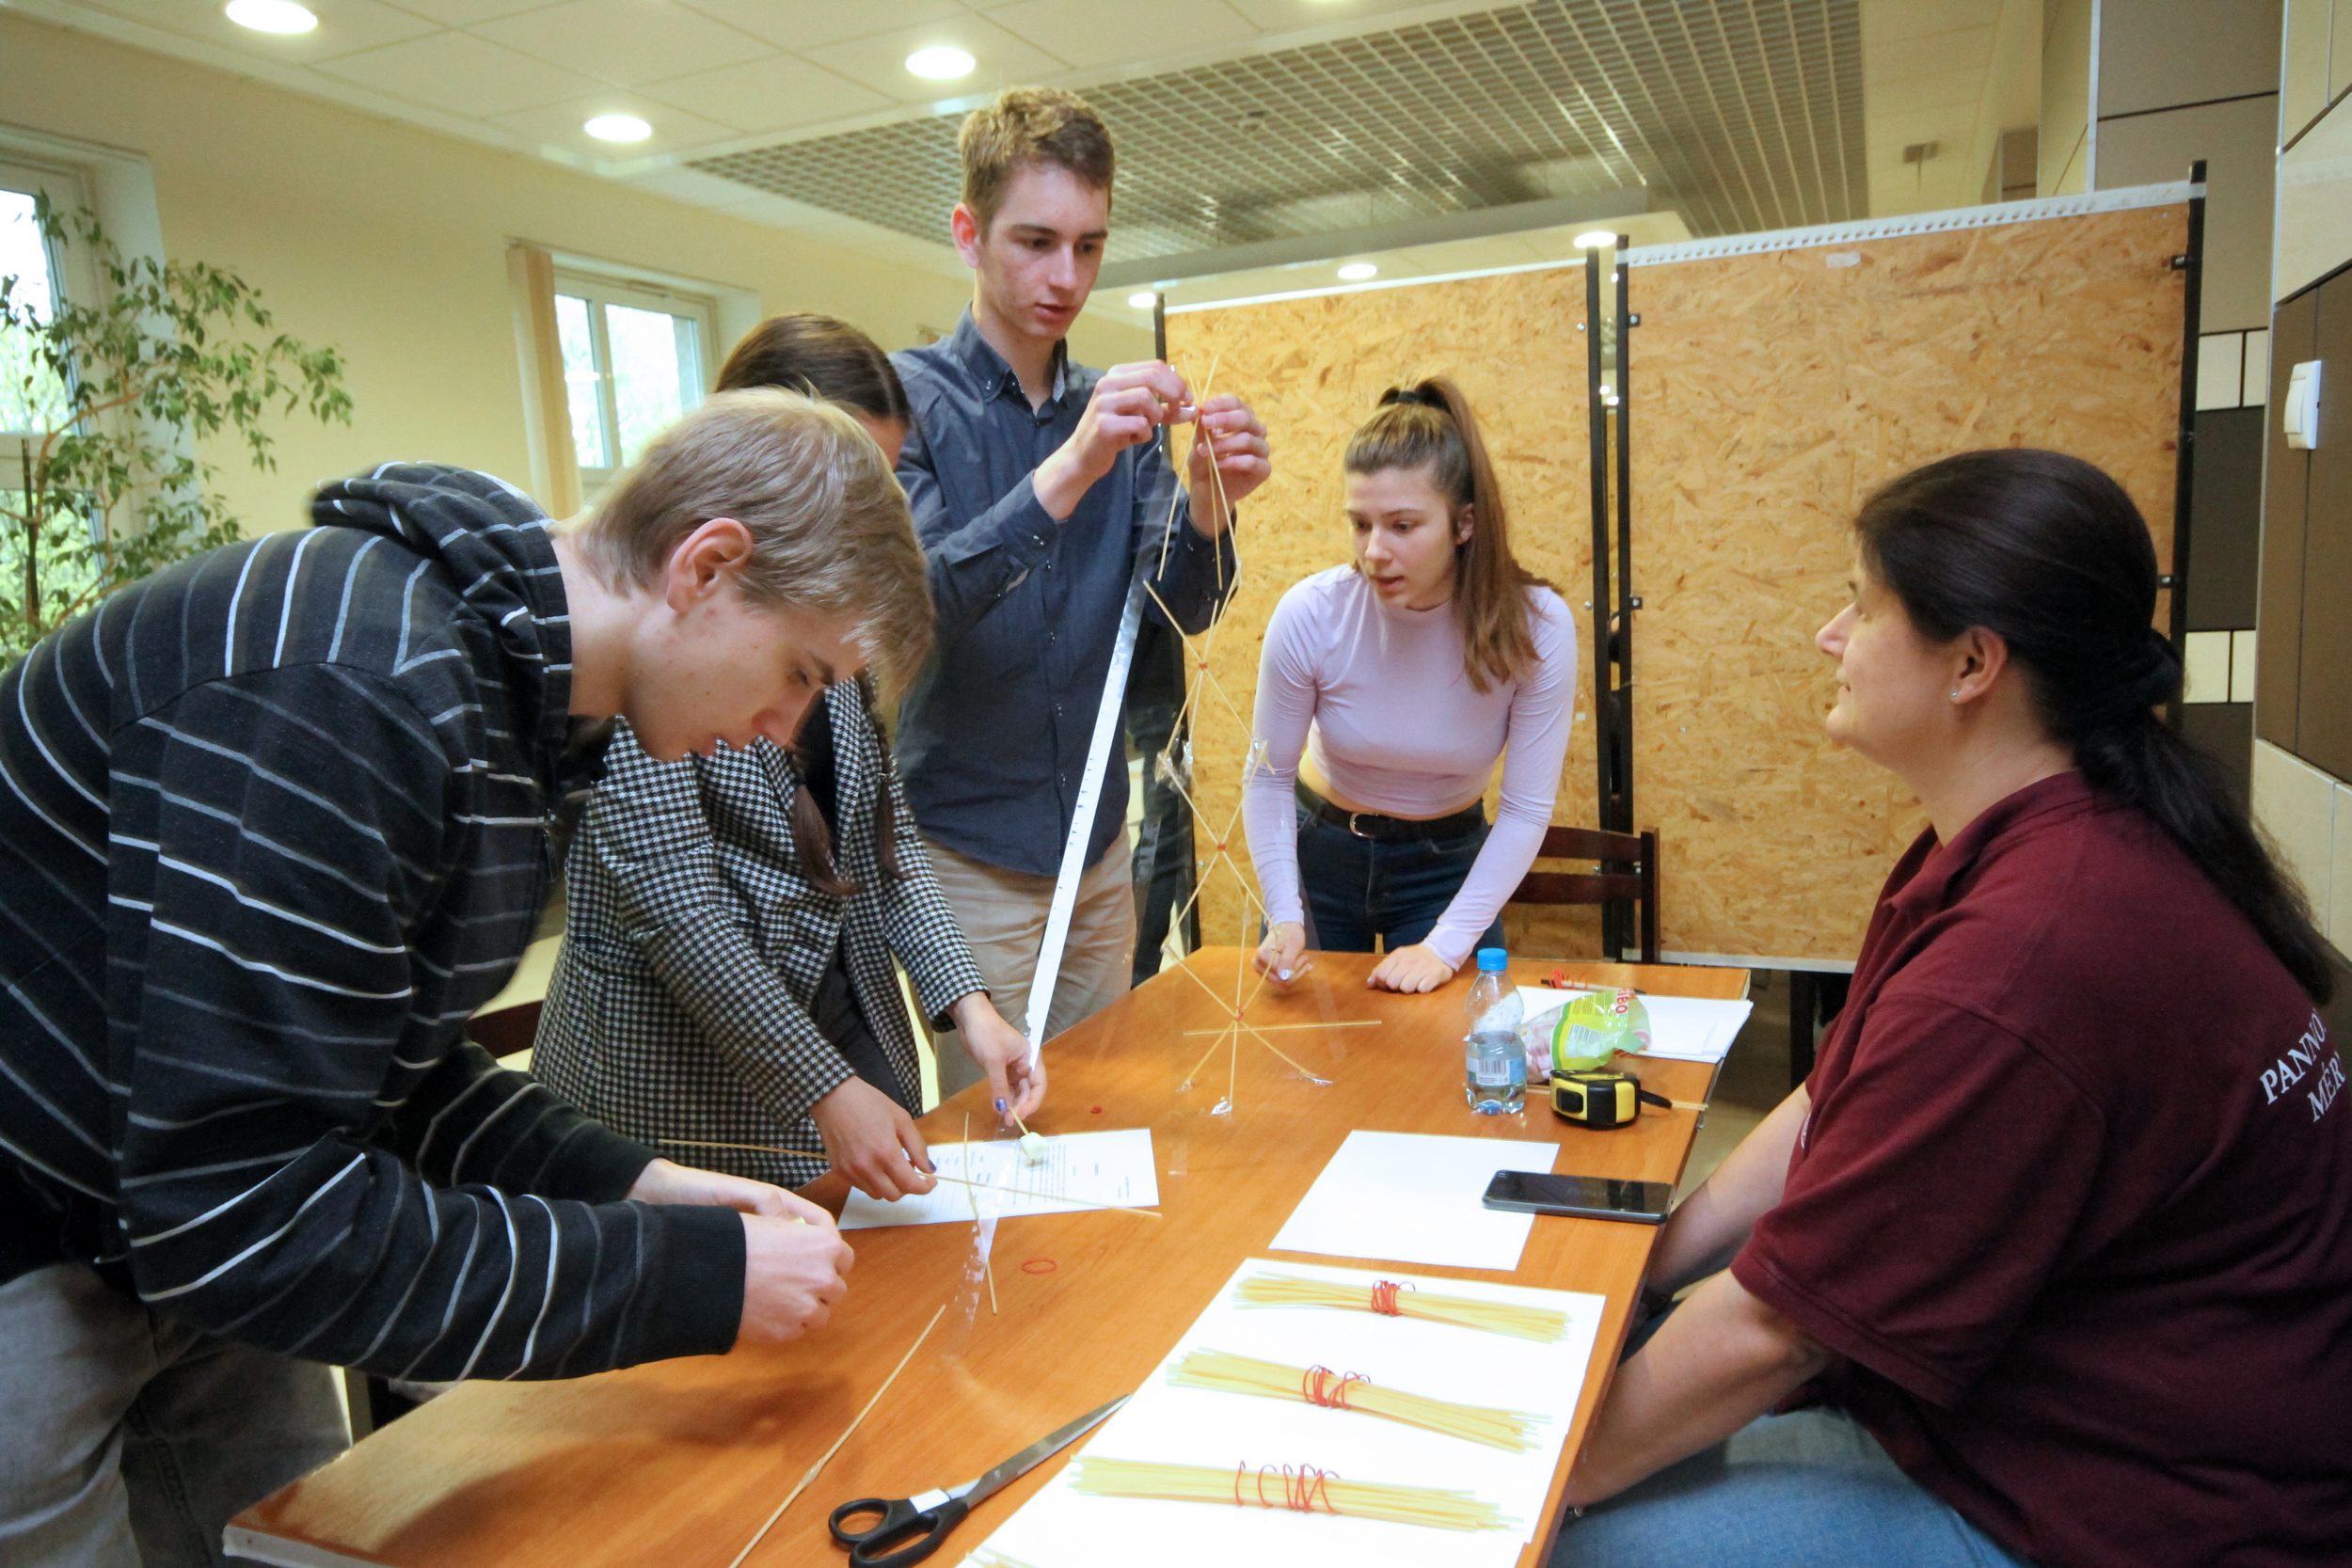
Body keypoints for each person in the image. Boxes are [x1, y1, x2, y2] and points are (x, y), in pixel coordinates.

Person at [0, 389, 931, 1566]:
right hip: (40, 1233)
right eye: (798, 672)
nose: (779, 729)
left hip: (177, 1246)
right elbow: (244, 1212)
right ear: (705, 566)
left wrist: (635, 1184)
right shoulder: (356, 685)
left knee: (295, 1543)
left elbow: (384, 1068)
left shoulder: (518, 708)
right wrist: (682, 1277)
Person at [1552, 450, 2352, 1568]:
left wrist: (1544, 1481)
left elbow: (1778, 1330)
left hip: (2130, 1509)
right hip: (2031, 1415)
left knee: (1565, 1543)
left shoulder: (2029, 957)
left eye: (1859, 604)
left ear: (1973, 662)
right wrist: (1646, 1267)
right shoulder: (2050, 840)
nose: (1828, 636)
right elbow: (1829, 1103)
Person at [533, 314, 1041, 1205]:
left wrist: (969, 1003)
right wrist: (825, 1087)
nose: (873, 526)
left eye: (888, 483)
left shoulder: (826, 624)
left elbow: (885, 834)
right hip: (678, 1089)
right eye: (854, 479)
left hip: (839, 1023)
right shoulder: (649, 657)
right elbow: (679, 910)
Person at [892, 87, 1271, 1089]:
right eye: (1036, 242)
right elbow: (916, 608)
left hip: (1100, 854)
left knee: (1103, 1114)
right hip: (967, 857)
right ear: (968, 234)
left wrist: (1208, 504)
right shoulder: (904, 402)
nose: (1066, 277)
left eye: (1090, 246)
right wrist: (1070, 467)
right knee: (990, 1133)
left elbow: (1182, 608)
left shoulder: (1121, 416)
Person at [1246, 378, 1577, 994]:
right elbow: (1268, 777)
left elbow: (1526, 810)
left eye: (1402, 525)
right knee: (1309, 1042)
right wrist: (1285, 912)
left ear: (1464, 523)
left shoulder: (1538, 626)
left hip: (1446, 868)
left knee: (1452, 1041)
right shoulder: (1310, 613)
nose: (1375, 551)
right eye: (1360, 524)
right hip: (1319, 856)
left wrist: (1444, 948)